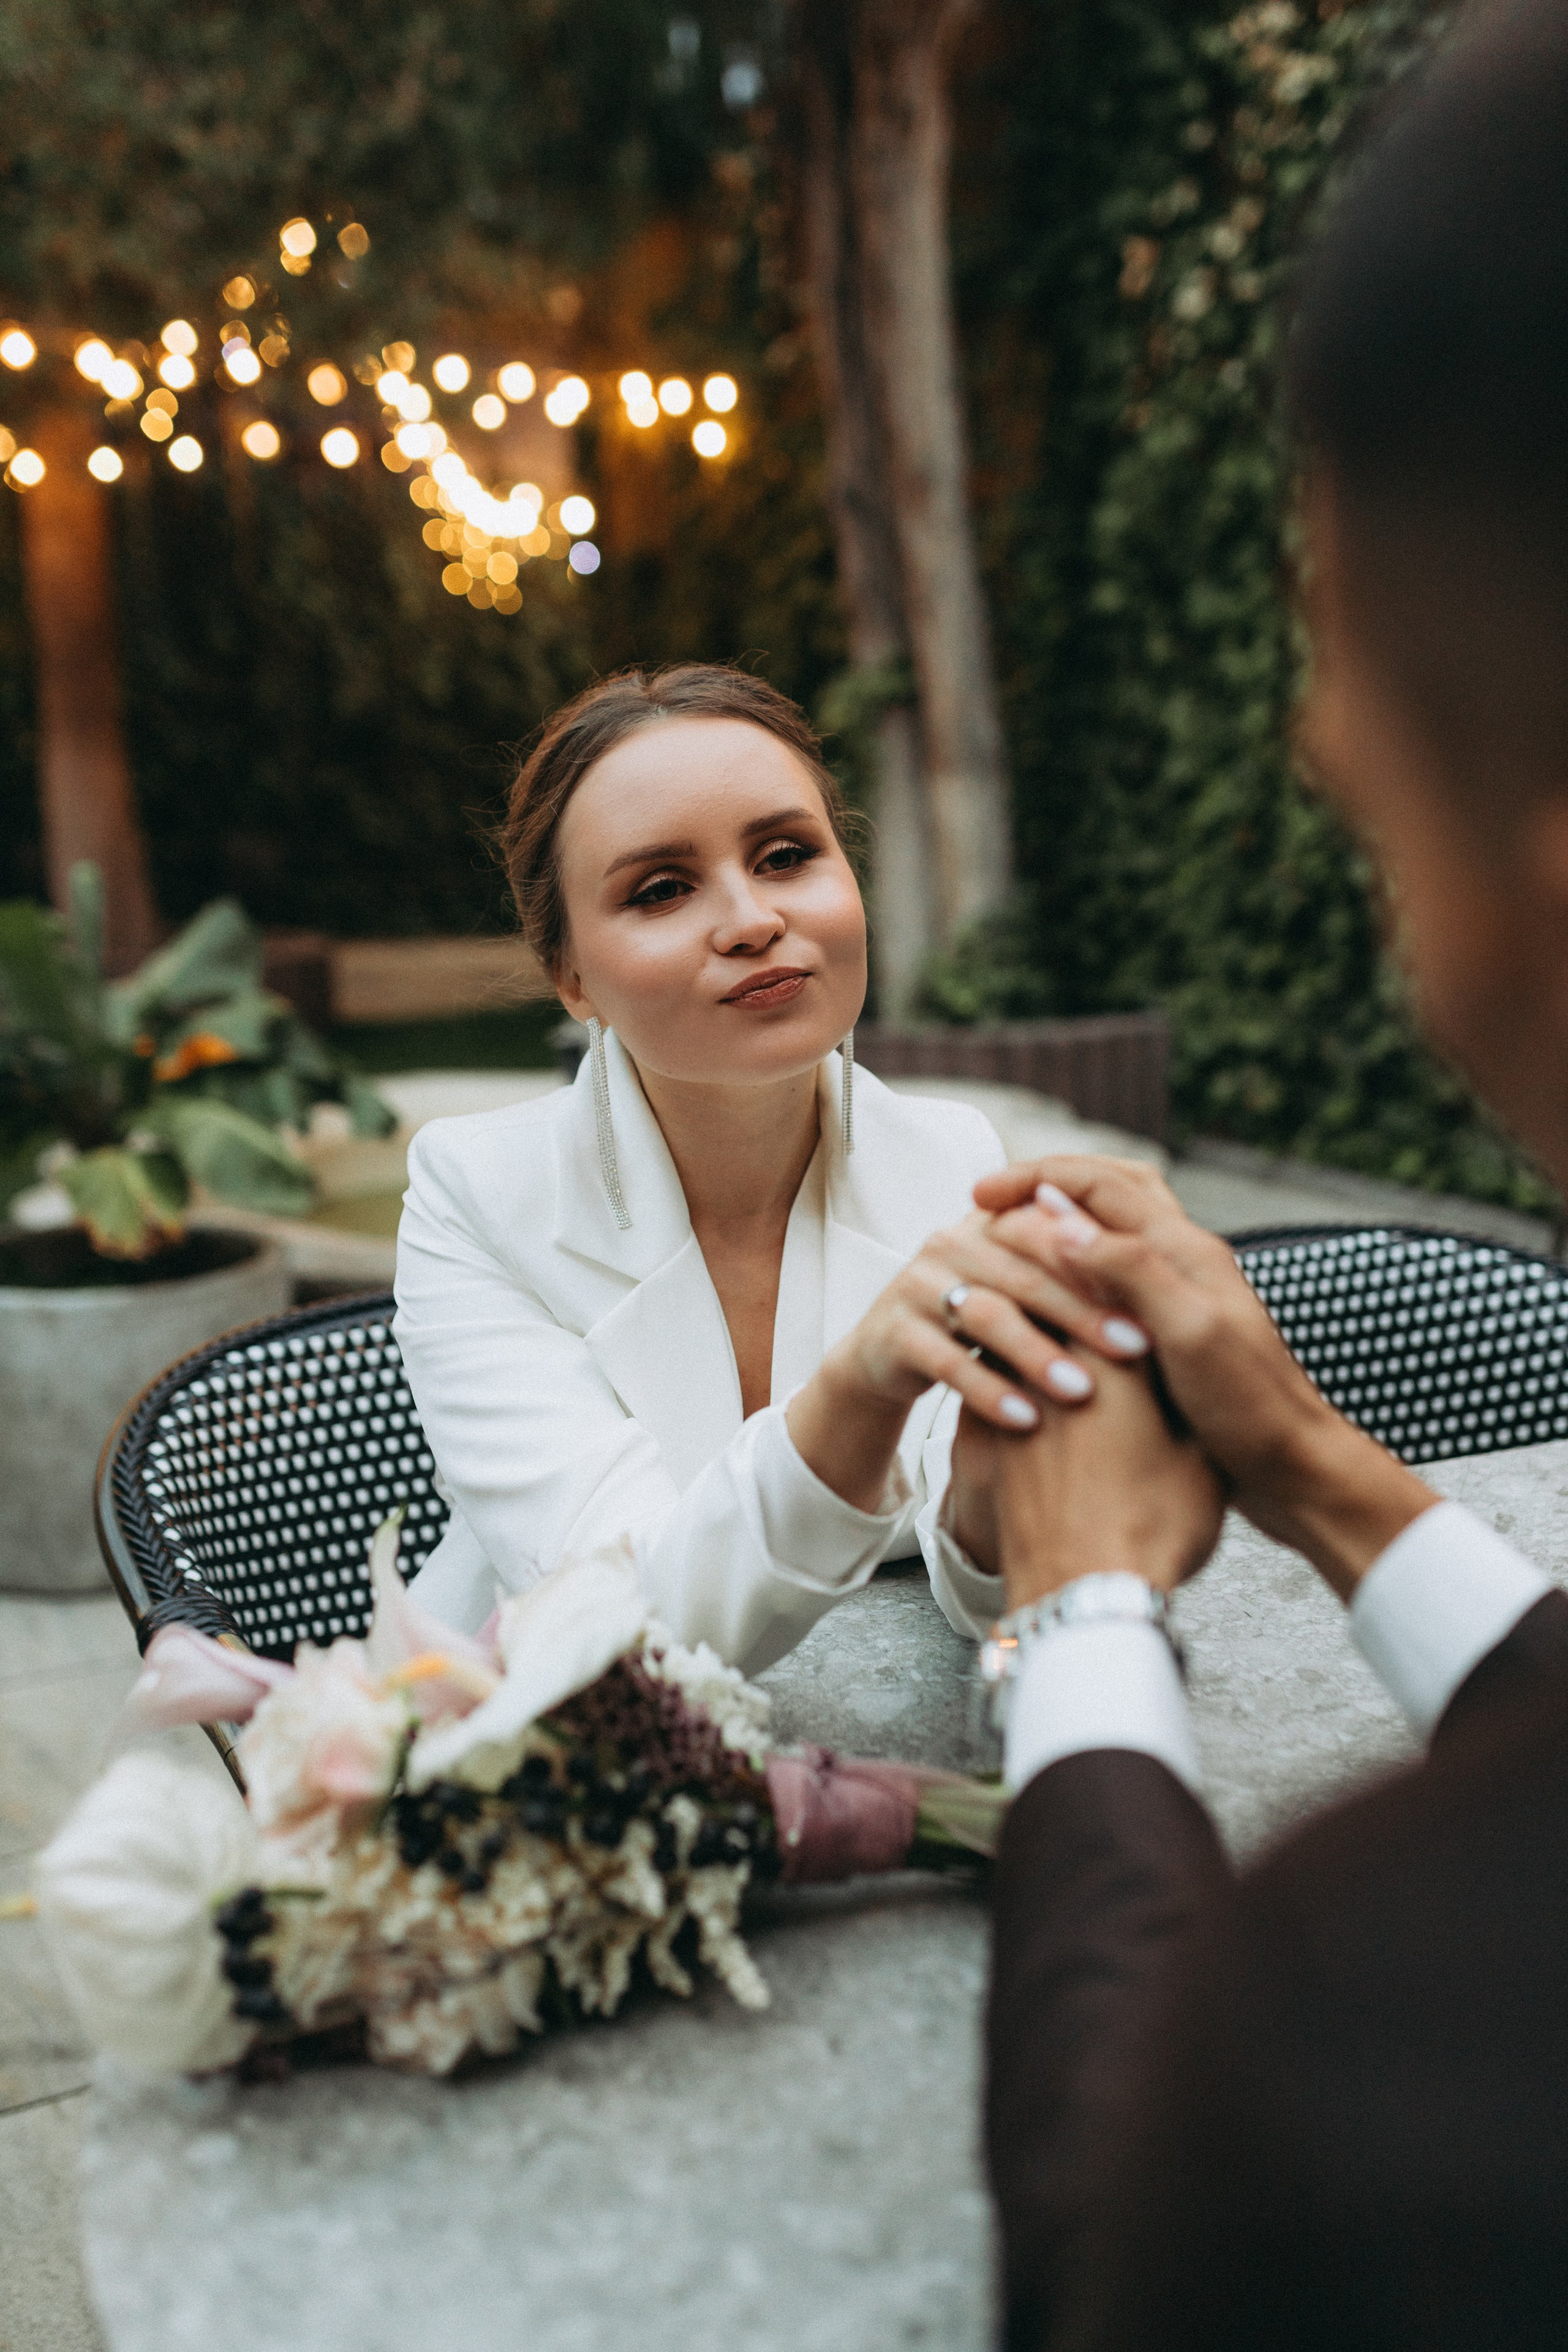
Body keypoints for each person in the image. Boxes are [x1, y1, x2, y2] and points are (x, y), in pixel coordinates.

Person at [957, 6, 1568, 2343]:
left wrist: (1087, 1607)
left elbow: (1122, 2257)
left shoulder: (1373, 2025)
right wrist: (1317, 1474)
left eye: (1367, 797)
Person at [394, 665, 1148, 1672]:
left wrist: (1014, 1454)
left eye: (788, 855)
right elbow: (614, 1616)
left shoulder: (954, 1157)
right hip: (544, 1753)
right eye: (661, 889)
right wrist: (861, 1391)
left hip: (884, 1728)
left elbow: (989, 1593)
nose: (751, 920)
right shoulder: (476, 1196)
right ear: (571, 977)